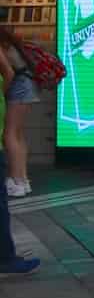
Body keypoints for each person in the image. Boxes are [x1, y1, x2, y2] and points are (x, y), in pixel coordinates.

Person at [2, 26, 39, 199]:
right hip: (27, 86)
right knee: (18, 134)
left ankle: (16, 181)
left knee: (9, 134)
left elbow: (8, 73)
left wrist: (2, 91)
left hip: (18, 88)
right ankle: (23, 180)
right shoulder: (12, 42)